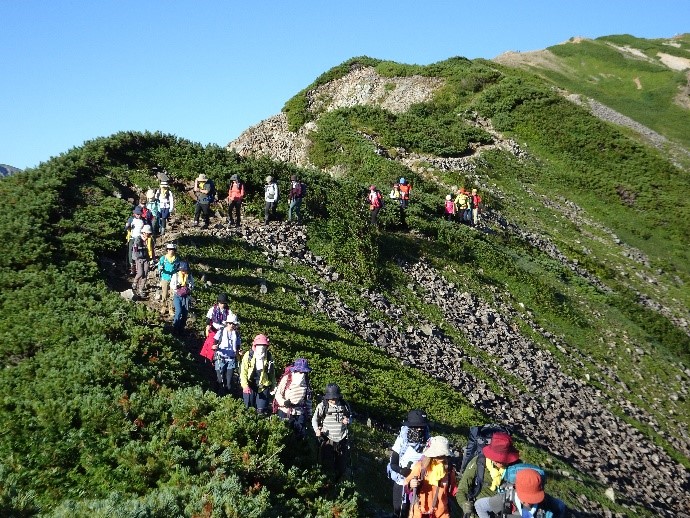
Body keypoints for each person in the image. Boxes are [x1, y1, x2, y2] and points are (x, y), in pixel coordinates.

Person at [457, 432, 520, 518]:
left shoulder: (516, 468)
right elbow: (462, 489)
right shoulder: (479, 463)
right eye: (497, 458)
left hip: (505, 511)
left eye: (502, 458)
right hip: (478, 512)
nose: (499, 461)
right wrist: (464, 504)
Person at [388, 409, 432, 517]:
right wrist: (402, 471)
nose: (419, 429)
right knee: (399, 511)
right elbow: (393, 463)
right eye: (416, 427)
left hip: (420, 484)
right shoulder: (402, 440)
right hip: (401, 482)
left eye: (422, 427)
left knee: (415, 513)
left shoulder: (428, 442)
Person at [474, 468, 566, 518]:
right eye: (525, 498)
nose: (528, 502)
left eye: (533, 498)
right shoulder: (505, 499)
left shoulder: (547, 502)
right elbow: (479, 505)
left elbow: (561, 507)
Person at [404, 436, 458, 518]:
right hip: (420, 512)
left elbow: (453, 489)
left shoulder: (449, 470)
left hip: (442, 513)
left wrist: (462, 493)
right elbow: (406, 486)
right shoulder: (421, 467)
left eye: (443, 455)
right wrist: (411, 484)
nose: (442, 457)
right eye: (439, 455)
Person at [312, 383, 352, 481]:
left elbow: (350, 417)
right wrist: (317, 430)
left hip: (342, 439)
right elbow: (314, 419)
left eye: (335, 398)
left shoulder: (344, 405)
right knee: (327, 464)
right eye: (331, 398)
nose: (333, 400)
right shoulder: (322, 406)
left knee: (341, 466)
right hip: (327, 438)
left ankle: (337, 484)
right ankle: (327, 484)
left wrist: (348, 421)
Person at [274, 358, 313, 438]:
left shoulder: (306, 381)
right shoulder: (287, 378)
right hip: (285, 411)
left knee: (300, 437)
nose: (301, 373)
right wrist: (284, 402)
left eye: (303, 372)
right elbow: (278, 394)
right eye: (300, 371)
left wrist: (309, 414)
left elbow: (308, 398)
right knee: (283, 435)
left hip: (300, 412)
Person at [240, 334, 276, 414]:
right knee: (248, 409)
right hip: (250, 386)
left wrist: (273, 386)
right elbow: (243, 372)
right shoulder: (248, 355)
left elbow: (272, 373)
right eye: (259, 345)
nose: (262, 348)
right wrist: (245, 386)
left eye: (263, 345)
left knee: (261, 411)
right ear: (255, 346)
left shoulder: (269, 357)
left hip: (263, 387)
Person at [212, 313, 241, 395]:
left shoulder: (237, 334)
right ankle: (216, 394)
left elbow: (238, 346)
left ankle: (227, 398)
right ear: (227, 323)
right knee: (220, 379)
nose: (231, 325)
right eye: (230, 323)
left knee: (229, 382)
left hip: (231, 359)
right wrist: (214, 347)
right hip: (220, 358)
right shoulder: (221, 332)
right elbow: (215, 342)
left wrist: (239, 351)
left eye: (233, 324)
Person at [199, 293, 233, 361]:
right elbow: (208, 319)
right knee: (210, 344)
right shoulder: (213, 309)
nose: (222, 305)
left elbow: (231, 322)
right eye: (221, 303)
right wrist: (208, 326)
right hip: (213, 330)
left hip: (223, 331)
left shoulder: (229, 312)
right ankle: (206, 359)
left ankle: (216, 360)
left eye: (224, 303)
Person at [170, 261, 194, 336]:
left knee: (185, 313)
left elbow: (192, 285)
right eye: (183, 270)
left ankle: (181, 329)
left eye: (185, 270)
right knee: (178, 311)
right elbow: (172, 285)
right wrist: (178, 287)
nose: (184, 271)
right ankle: (175, 328)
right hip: (177, 296)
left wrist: (188, 288)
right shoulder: (175, 275)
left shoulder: (189, 276)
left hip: (186, 297)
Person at [132, 224, 154, 298]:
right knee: (140, 273)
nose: (149, 235)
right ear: (144, 232)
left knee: (145, 274)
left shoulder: (150, 240)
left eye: (149, 233)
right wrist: (138, 256)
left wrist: (152, 258)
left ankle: (141, 289)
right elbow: (135, 249)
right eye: (148, 233)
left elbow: (152, 249)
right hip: (139, 259)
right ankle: (135, 282)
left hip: (146, 258)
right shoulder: (138, 239)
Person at [157, 243, 179, 316]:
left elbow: (178, 267)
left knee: (172, 294)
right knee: (164, 294)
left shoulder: (176, 258)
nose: (171, 251)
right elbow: (160, 265)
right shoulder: (163, 258)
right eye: (169, 249)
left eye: (172, 249)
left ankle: (171, 309)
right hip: (165, 278)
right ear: (167, 250)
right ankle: (164, 306)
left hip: (173, 279)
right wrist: (160, 267)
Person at [125, 206, 144, 275]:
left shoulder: (143, 220)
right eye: (137, 214)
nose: (138, 215)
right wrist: (128, 226)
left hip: (140, 238)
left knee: (138, 252)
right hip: (132, 238)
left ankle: (138, 267)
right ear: (134, 214)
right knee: (130, 252)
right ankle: (132, 266)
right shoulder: (131, 219)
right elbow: (125, 228)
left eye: (139, 214)